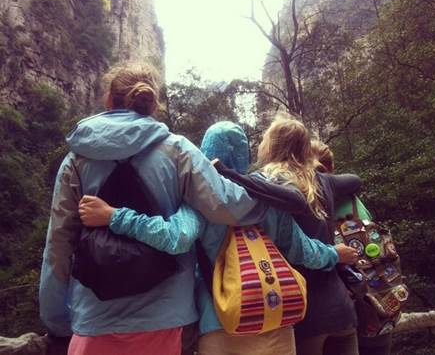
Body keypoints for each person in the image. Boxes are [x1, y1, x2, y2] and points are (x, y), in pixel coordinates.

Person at [39, 63, 276, 355]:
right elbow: (227, 206)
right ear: (152, 103)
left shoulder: (76, 159)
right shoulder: (177, 150)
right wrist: (273, 194)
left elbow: (58, 246)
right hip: (168, 319)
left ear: (109, 100)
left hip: (95, 319)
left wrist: (56, 320)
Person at [79, 121, 359, 355]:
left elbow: (176, 237)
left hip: (220, 326)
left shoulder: (199, 201)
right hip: (274, 319)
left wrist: (114, 216)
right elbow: (302, 251)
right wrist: (335, 254)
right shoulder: (266, 197)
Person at [256, 117, 363, 355]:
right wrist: (319, 169)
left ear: (271, 146)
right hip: (340, 308)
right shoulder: (323, 181)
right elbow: (355, 181)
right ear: (305, 148)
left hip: (301, 308)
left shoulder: (267, 185)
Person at [310, 140, 392, 355]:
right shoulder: (354, 201)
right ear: (333, 167)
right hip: (378, 298)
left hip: (337, 307)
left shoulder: (310, 204)